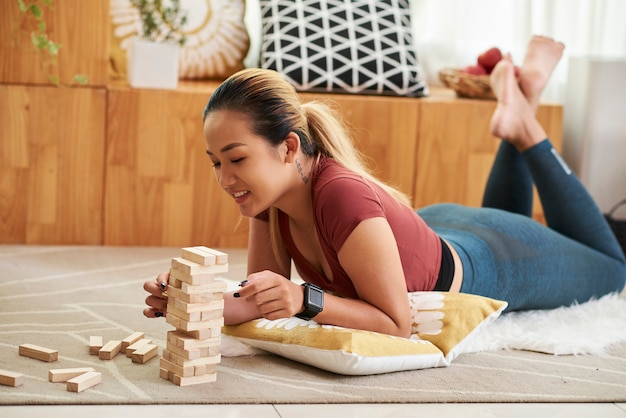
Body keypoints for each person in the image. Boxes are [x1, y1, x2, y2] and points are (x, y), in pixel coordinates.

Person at [143, 36, 625, 338]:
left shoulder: (339, 193)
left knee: (615, 271)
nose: (226, 179)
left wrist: (305, 299)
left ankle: (527, 124)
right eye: (215, 163)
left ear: (289, 148)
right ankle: (522, 102)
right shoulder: (269, 201)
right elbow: (257, 302)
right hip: (438, 232)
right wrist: (191, 302)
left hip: (490, 258)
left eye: (237, 159)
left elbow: (396, 322)